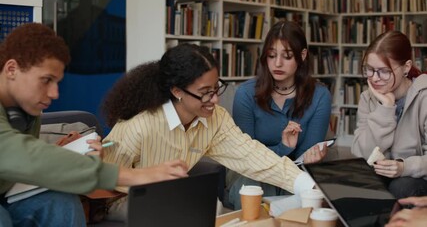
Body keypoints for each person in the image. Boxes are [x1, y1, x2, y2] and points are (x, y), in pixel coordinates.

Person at [0, 23, 188, 227]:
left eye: (57, 83)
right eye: (46, 80)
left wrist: (67, 152)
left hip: (7, 193)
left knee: (62, 203)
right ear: (12, 69)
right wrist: (138, 175)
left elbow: (20, 161)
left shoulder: (27, 110)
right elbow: (16, 153)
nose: (54, 93)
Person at [101, 43, 316, 220]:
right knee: (180, 213)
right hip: (125, 200)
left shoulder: (216, 119)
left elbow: (251, 155)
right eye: (205, 93)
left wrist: (307, 185)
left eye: (216, 88)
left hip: (172, 194)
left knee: (212, 206)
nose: (215, 99)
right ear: (177, 91)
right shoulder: (140, 126)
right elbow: (100, 176)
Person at [228, 20, 332, 209]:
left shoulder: (320, 95)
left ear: (302, 55)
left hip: (295, 172)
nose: (277, 63)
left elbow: (305, 156)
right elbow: (246, 157)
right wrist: (283, 148)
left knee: (303, 187)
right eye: (271, 55)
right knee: (253, 185)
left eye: (287, 56)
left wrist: (312, 158)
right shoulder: (246, 93)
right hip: (250, 173)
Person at [351, 30, 427, 199]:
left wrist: (404, 167)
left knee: (402, 187)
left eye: (384, 71)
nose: (374, 78)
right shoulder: (367, 98)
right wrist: (386, 108)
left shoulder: (425, 96)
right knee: (352, 181)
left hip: (417, 177)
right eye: (369, 70)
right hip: (382, 175)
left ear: (406, 67)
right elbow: (361, 154)